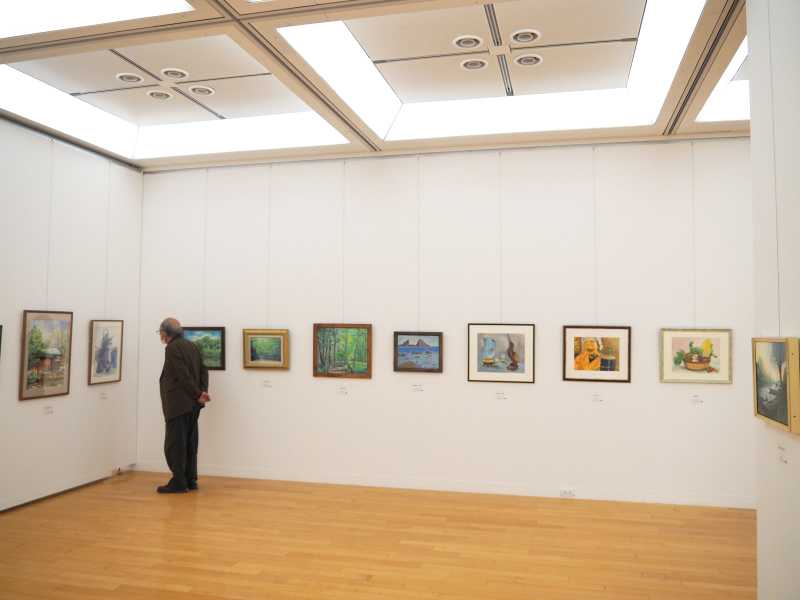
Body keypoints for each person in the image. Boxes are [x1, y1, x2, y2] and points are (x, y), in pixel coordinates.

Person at [157, 318, 210, 494]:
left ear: (165, 333)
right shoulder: (192, 345)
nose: (160, 336)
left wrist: (197, 393)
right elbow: (204, 371)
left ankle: (179, 482)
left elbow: (183, 375)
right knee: (190, 442)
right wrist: (202, 392)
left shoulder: (172, 348)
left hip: (178, 405)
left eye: (160, 332)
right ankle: (190, 480)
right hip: (193, 405)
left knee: (175, 445)